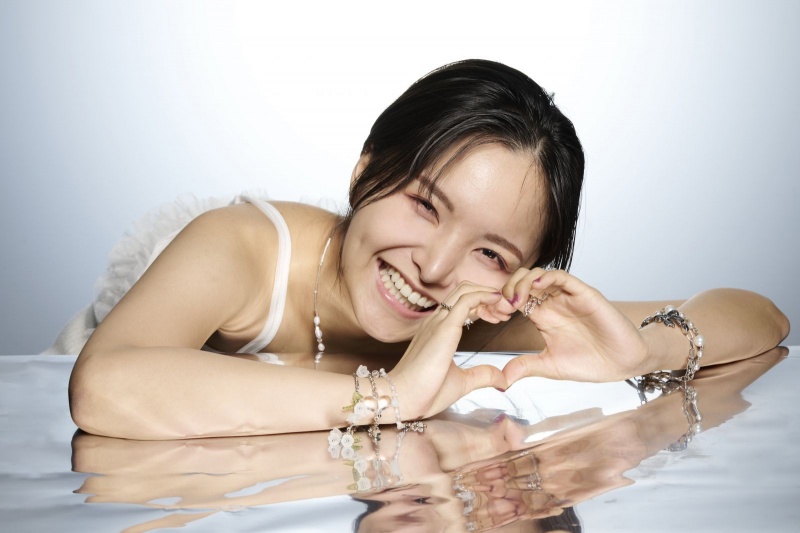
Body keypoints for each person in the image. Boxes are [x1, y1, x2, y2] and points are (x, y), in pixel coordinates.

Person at [67, 59, 789, 440]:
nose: (436, 268)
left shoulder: (477, 310)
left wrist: (642, 352)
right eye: (425, 204)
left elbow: (761, 316)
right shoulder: (245, 247)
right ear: (365, 170)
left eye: (491, 253)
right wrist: (390, 398)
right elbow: (102, 387)